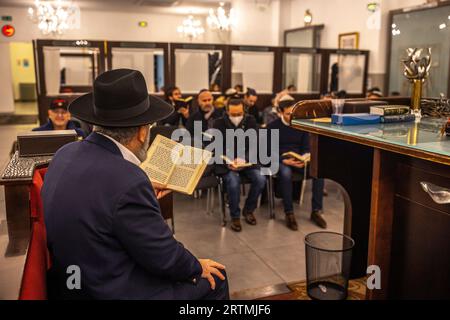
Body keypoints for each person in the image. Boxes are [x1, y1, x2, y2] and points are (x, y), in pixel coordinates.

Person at [42, 69, 229, 300]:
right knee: (216, 279)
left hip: (71, 279)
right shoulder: (128, 179)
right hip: (107, 288)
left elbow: (98, 199)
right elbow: (165, 257)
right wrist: (196, 266)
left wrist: (138, 192)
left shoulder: (64, 152)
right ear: (142, 132)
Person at [267, 96, 326, 231]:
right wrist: (283, 160)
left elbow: (306, 148)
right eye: (288, 114)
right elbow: (267, 152)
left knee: (319, 170)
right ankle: (289, 213)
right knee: (286, 173)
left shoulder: (301, 125)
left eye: (294, 113)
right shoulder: (272, 127)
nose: (292, 116)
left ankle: (316, 210)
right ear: (280, 112)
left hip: (298, 159)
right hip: (280, 159)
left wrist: (304, 157)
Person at [213, 99, 266, 232]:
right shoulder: (218, 123)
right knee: (233, 182)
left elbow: (254, 145)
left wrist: (244, 159)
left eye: (239, 114)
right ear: (227, 111)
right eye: (233, 114)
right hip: (227, 164)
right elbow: (217, 148)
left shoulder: (251, 121)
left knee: (260, 179)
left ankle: (248, 210)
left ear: (244, 111)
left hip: (247, 162)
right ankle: (235, 215)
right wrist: (229, 161)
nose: (237, 117)